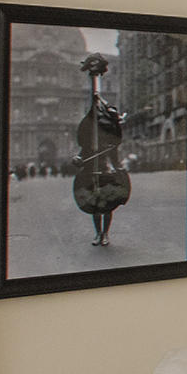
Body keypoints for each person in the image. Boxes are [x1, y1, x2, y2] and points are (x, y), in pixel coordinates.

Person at [73, 52, 132, 247]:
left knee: (108, 204)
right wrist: (79, 158)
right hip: (91, 169)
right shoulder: (89, 134)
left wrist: (118, 166)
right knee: (94, 203)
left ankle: (105, 233)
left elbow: (116, 148)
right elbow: (84, 149)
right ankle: (97, 233)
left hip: (108, 169)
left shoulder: (111, 133)